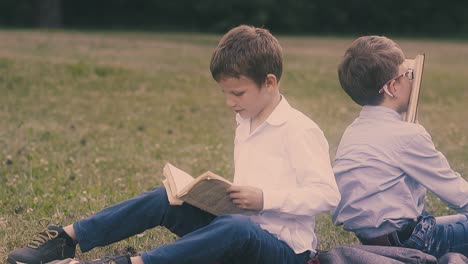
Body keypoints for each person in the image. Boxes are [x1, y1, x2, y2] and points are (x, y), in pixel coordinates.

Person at [7, 25, 340, 264]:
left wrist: (265, 199)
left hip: (284, 252)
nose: (229, 103)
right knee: (165, 198)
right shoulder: (247, 120)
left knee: (236, 228)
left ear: (270, 83)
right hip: (236, 227)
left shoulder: (299, 129)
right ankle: (66, 238)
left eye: (237, 93)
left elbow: (327, 195)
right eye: (224, 93)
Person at [332, 35, 468, 258]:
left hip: (374, 240)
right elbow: (455, 192)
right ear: (393, 87)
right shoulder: (406, 135)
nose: (413, 82)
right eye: (408, 75)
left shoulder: (353, 130)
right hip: (412, 241)